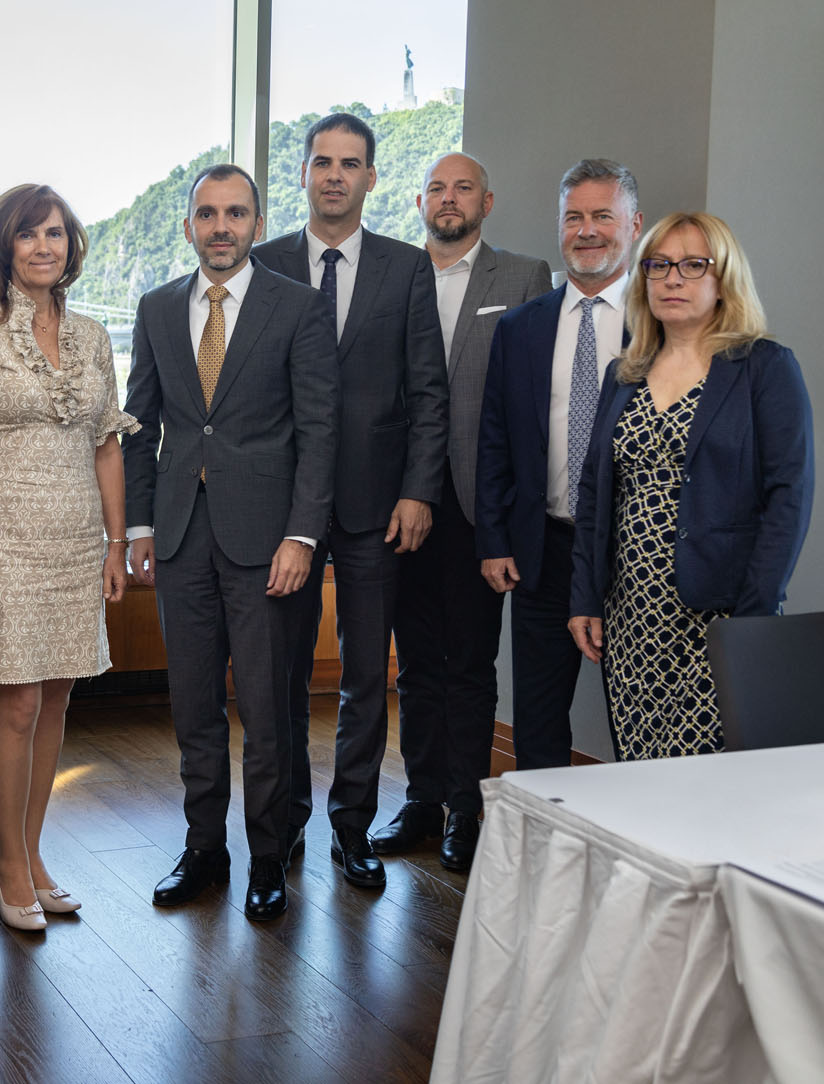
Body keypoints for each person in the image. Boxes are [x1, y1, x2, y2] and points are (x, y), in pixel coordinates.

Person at [123, 164, 338, 920]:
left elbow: (320, 431)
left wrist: (302, 536)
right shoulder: (156, 308)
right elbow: (139, 425)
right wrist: (140, 525)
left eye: (236, 213)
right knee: (193, 705)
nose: (221, 227)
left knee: (268, 707)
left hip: (269, 541)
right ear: (189, 226)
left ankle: (269, 853)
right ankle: (204, 848)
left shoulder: (298, 307)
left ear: (256, 224)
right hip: (180, 536)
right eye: (208, 214)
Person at [255, 113, 448, 890]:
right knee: (281, 673)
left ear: (370, 177)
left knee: (368, 674)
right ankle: (283, 823)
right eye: (322, 162)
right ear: (303, 172)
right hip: (282, 509)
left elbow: (428, 392)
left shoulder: (407, 267)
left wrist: (419, 489)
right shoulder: (263, 262)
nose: (335, 175)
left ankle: (352, 825)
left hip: (377, 504)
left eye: (350, 163)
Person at [0, 184, 138, 930]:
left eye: (55, 233)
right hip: (2, 540)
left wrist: (116, 544)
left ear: (70, 244)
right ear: (4, 247)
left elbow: (107, 445)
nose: (44, 246)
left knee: (57, 700)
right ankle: (9, 865)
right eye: (28, 234)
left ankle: (32, 852)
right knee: (17, 703)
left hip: (77, 542)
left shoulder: (92, 335)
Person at [569, 212, 813, 758]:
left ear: (724, 279)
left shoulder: (763, 368)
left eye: (692, 265)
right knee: (640, 768)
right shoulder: (623, 374)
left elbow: (789, 498)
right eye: (658, 265)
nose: (672, 279)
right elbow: (594, 496)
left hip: (721, 615)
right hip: (631, 614)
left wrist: (753, 615)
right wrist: (585, 596)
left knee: (707, 778)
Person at [381, 153, 552, 872]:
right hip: (401, 498)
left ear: (487, 201)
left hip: (481, 501)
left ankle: (465, 807)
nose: (448, 199)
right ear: (420, 201)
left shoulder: (524, 277)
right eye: (436, 188)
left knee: (471, 661)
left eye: (463, 188)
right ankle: (421, 799)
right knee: (416, 659)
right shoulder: (392, 275)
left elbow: (530, 399)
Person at [476, 159, 642, 770]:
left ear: (634, 224)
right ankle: (539, 827)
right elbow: (495, 440)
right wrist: (495, 539)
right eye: (574, 217)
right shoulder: (522, 326)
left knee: (641, 715)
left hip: (636, 552)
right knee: (538, 716)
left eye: (603, 216)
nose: (587, 230)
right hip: (544, 549)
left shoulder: (663, 323)